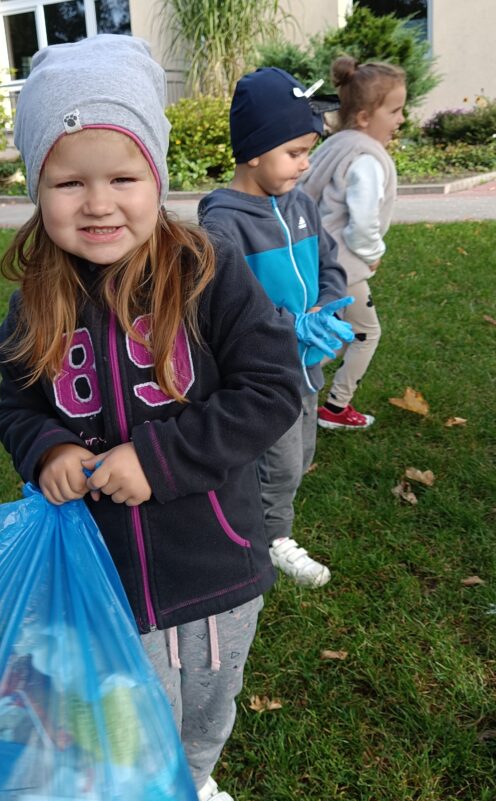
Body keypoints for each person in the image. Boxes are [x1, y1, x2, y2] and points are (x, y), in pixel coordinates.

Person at [0, 35, 303, 801]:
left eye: (122, 175)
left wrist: (156, 459)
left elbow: (272, 386)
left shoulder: (207, 272)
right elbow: (18, 403)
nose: (97, 203)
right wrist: (46, 449)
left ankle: (196, 783)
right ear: (37, 190)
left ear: (156, 173)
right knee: (119, 736)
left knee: (204, 710)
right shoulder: (34, 299)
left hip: (215, 559)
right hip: (104, 585)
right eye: (67, 182)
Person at [199, 67, 354, 588]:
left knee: (299, 453)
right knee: (281, 463)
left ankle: (254, 514)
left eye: (309, 149)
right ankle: (269, 542)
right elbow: (230, 302)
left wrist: (329, 306)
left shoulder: (301, 203)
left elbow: (330, 264)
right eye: (295, 152)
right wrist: (289, 328)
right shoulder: (224, 224)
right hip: (265, 370)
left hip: (307, 364)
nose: (306, 163)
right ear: (254, 152)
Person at [300, 57, 407, 430]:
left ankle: (296, 381)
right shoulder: (367, 160)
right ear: (364, 117)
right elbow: (361, 224)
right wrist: (374, 254)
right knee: (366, 333)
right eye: (394, 111)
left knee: (337, 331)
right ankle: (332, 406)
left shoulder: (336, 144)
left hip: (318, 259)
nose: (400, 119)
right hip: (344, 266)